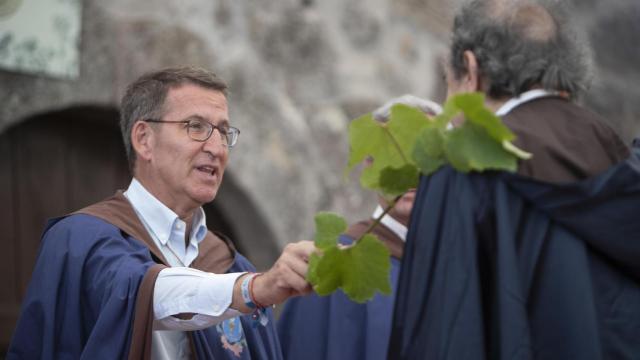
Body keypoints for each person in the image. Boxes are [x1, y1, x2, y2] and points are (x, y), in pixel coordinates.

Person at [8, 67, 316, 360]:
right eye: (196, 127)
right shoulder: (78, 241)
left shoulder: (230, 263)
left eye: (223, 131)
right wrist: (252, 289)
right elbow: (136, 288)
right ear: (144, 139)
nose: (217, 148)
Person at [388, 1, 640, 359]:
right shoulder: (616, 156)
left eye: (448, 80)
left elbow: (444, 334)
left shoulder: (463, 165)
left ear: (471, 71)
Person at [277, 95, 442, 360]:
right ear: (369, 164)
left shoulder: (471, 264)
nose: (410, 169)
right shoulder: (332, 267)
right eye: (395, 152)